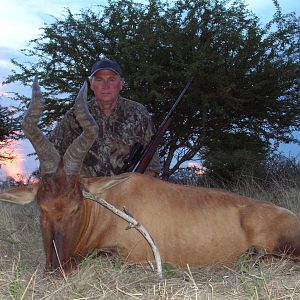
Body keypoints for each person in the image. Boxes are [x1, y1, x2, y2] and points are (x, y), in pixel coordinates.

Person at [49, 59, 160, 177]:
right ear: (91, 84)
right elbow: (50, 152)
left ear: (121, 83)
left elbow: (152, 165)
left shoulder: (138, 113)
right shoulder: (75, 115)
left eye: (111, 80)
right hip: (85, 190)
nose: (105, 86)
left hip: (126, 190)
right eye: (99, 80)